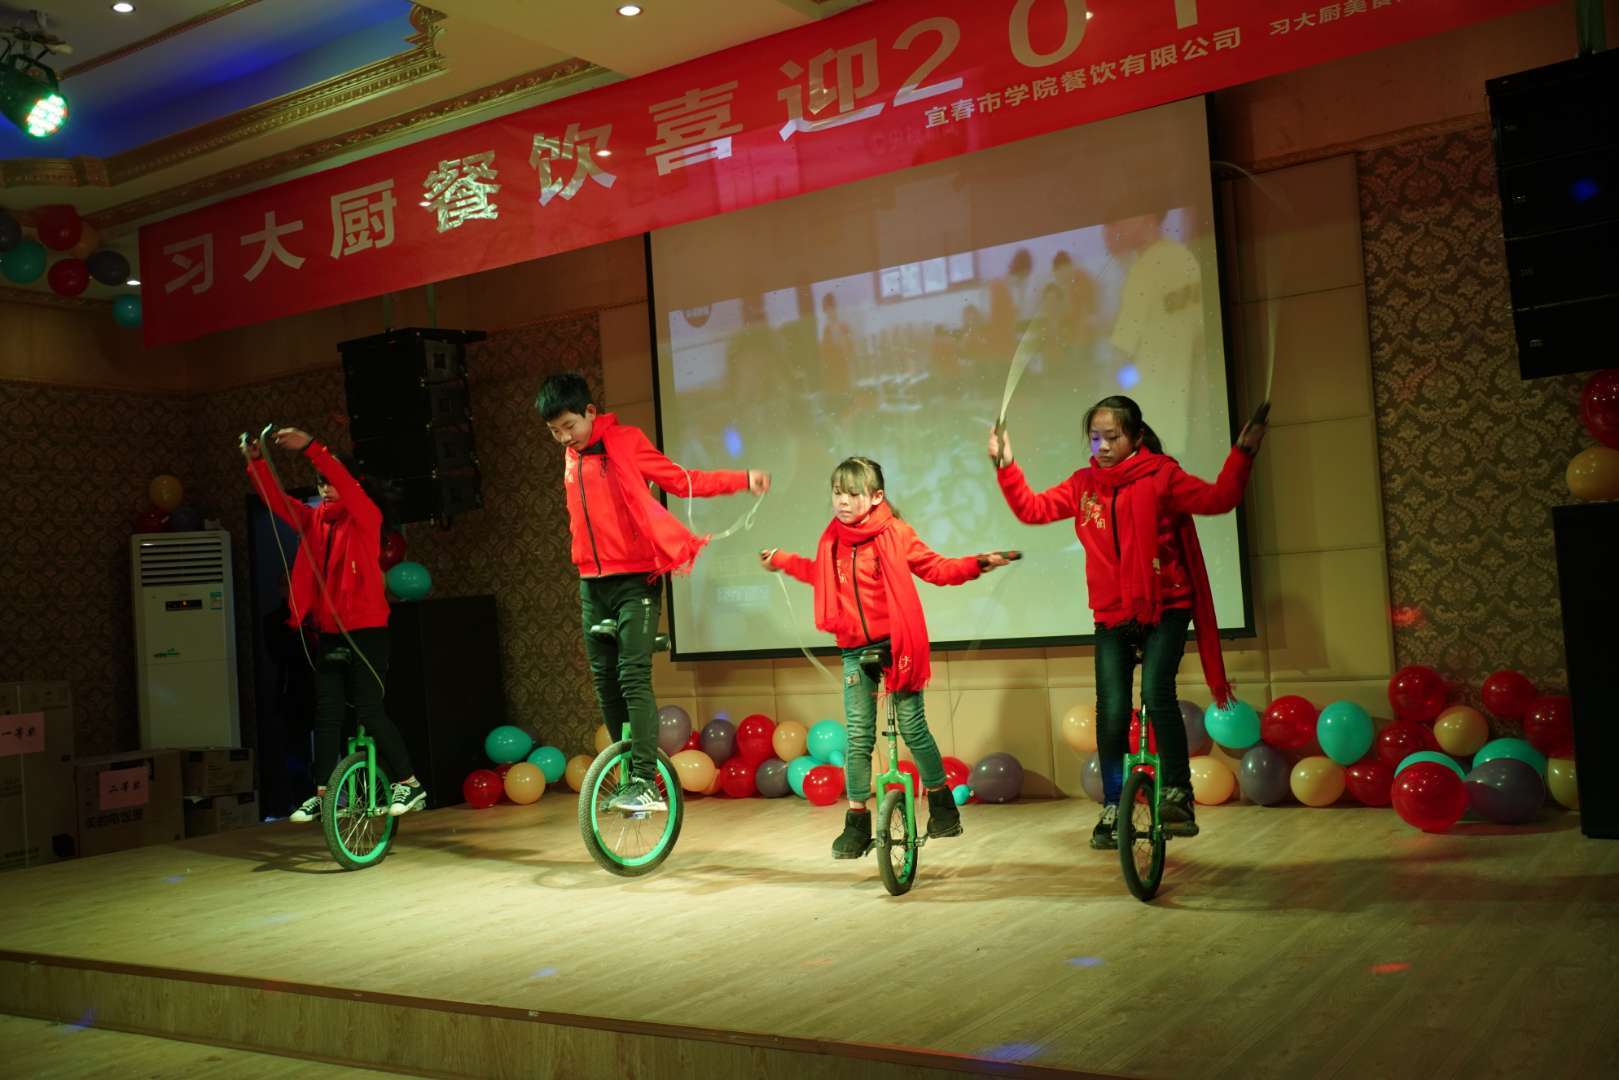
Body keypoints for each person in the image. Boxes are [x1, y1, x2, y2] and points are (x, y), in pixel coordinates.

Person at [987, 396, 1265, 848]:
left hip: (1165, 606)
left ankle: (1178, 793)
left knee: (1157, 694)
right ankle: (1114, 804)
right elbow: (1032, 509)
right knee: (1112, 712)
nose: (1101, 446)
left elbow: (1220, 498)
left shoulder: (1162, 476)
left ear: (1135, 437)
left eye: (1112, 437)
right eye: (1095, 438)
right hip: (1112, 613)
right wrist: (1006, 466)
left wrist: (1243, 452)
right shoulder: (1083, 485)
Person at [536, 372, 769, 813]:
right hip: (592, 583)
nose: (564, 438)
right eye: (554, 431)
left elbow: (682, 480)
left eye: (569, 426)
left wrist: (741, 479)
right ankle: (629, 774)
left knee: (631, 675)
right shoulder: (571, 455)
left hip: (635, 579)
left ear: (590, 412)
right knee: (605, 684)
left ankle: (644, 781)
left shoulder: (626, 442)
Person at [760, 456, 1010, 858]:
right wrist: (782, 561)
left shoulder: (896, 533)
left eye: (852, 494)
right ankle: (857, 822)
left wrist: (976, 564)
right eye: (837, 493)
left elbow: (936, 568)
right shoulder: (832, 539)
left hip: (898, 643)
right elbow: (818, 574)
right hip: (854, 648)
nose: (842, 501)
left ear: (876, 497)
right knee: (859, 736)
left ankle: (943, 807)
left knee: (912, 727)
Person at [243, 428, 426, 822]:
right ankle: (323, 793)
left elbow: (346, 483)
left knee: (369, 709)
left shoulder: (365, 516)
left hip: (367, 631)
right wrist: (256, 462)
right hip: (328, 632)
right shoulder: (313, 521)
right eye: (320, 483)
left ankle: (410, 783)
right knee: (326, 714)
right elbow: (276, 500)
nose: (325, 488)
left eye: (330, 481)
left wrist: (312, 448)